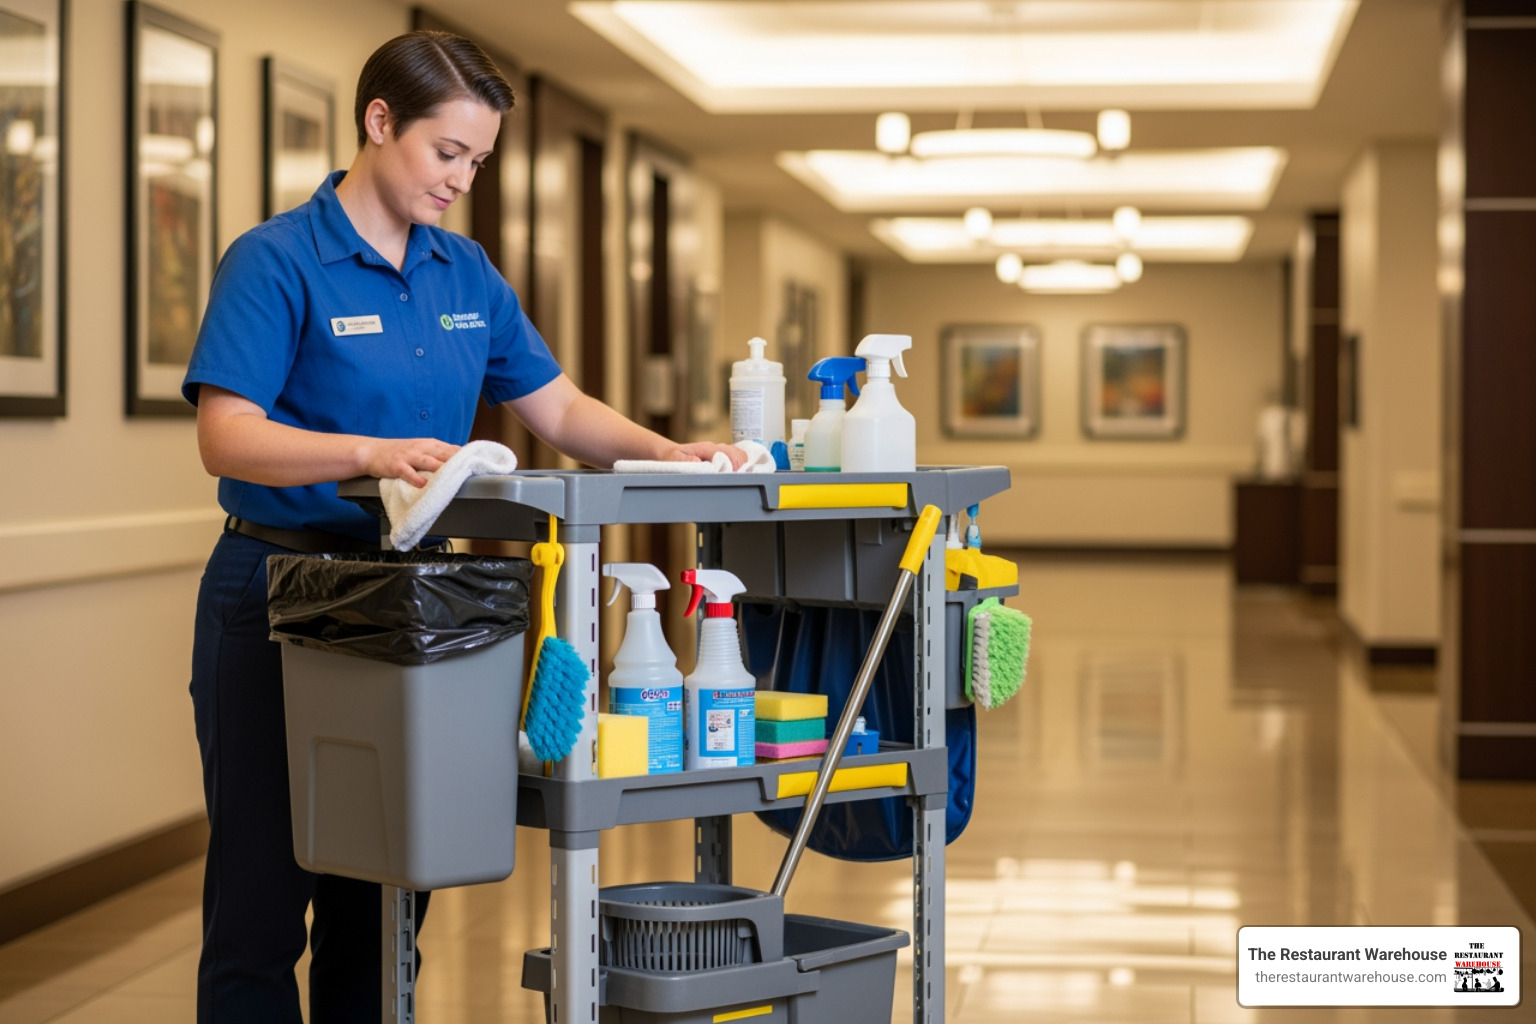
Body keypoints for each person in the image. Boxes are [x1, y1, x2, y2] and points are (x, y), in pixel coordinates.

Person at [181, 30, 741, 1023]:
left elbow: (560, 412)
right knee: (264, 901)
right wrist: (370, 451)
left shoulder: (466, 272)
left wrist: (671, 453)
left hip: (415, 598)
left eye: (478, 162)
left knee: (391, 893)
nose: (462, 180)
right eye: (448, 154)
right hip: (279, 596)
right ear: (380, 121)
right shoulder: (276, 261)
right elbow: (227, 437)